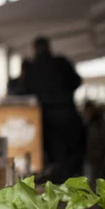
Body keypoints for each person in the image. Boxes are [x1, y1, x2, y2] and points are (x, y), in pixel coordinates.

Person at [23, 36, 85, 182]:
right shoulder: (61, 62)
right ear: (49, 47)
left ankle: (56, 187)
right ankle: (68, 185)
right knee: (68, 156)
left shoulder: (33, 67)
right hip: (67, 115)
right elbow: (77, 81)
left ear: (35, 49)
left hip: (44, 119)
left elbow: (25, 91)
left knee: (51, 157)